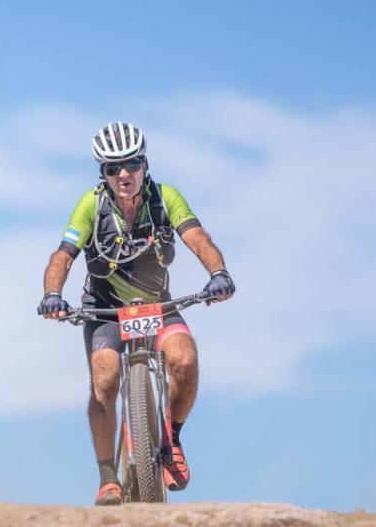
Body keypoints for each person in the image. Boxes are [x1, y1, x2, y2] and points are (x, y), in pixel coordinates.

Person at [38, 121, 235, 506]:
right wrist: (52, 295)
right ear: (104, 173)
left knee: (184, 359)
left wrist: (219, 273)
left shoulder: (165, 197)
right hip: (105, 310)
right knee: (105, 379)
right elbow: (62, 255)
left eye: (132, 164)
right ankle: (107, 477)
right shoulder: (91, 205)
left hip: (158, 304)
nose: (124, 174)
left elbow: (198, 238)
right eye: (114, 168)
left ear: (145, 164)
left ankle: (170, 439)